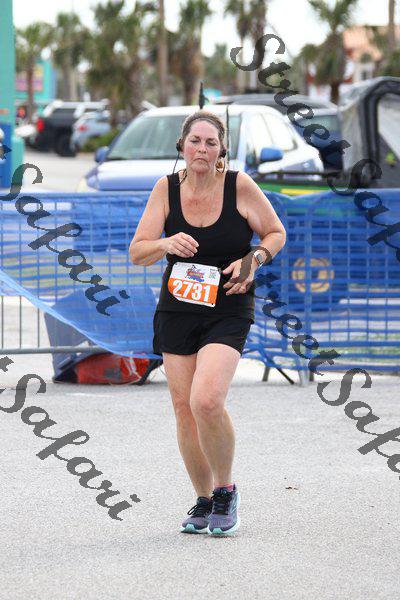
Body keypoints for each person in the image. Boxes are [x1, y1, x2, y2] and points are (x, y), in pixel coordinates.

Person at [129, 110, 286, 536]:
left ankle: (225, 490)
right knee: (184, 409)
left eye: (210, 142)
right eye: (195, 141)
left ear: (221, 150)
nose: (202, 149)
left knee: (207, 400)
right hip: (178, 307)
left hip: (228, 304)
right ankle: (202, 500)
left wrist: (254, 259)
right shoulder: (166, 189)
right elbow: (138, 251)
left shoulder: (239, 185)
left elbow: (275, 232)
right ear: (182, 146)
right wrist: (166, 242)